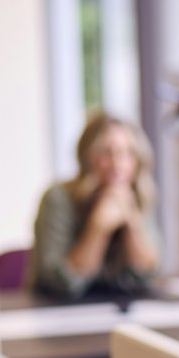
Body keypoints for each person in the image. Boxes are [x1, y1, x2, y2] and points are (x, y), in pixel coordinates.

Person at [28, 112, 160, 299]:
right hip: (58, 313)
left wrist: (132, 223)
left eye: (128, 153)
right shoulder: (58, 198)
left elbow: (150, 275)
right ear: (87, 157)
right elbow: (62, 283)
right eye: (107, 153)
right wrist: (98, 228)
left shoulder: (138, 196)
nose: (118, 164)